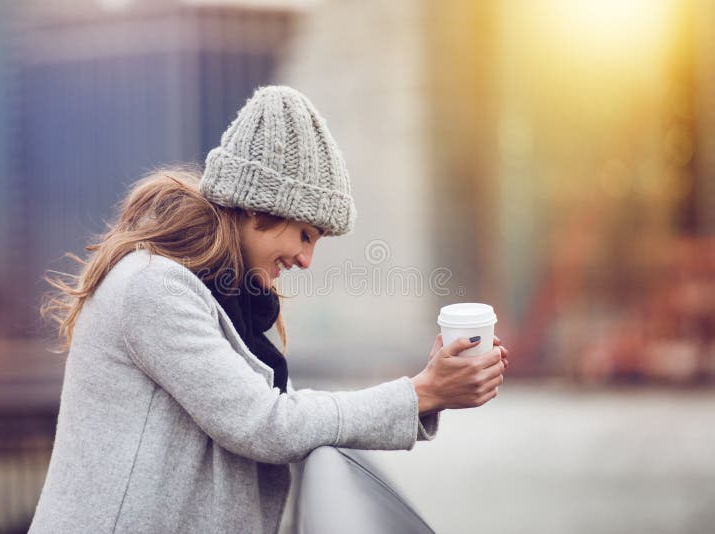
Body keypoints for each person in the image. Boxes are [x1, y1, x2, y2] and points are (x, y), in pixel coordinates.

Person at [29, 85, 509, 533]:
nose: (305, 260)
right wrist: (420, 394)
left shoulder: (226, 298)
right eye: (304, 235)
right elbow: (265, 424)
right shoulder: (154, 289)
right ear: (260, 207)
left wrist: (426, 390)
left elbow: (288, 414)